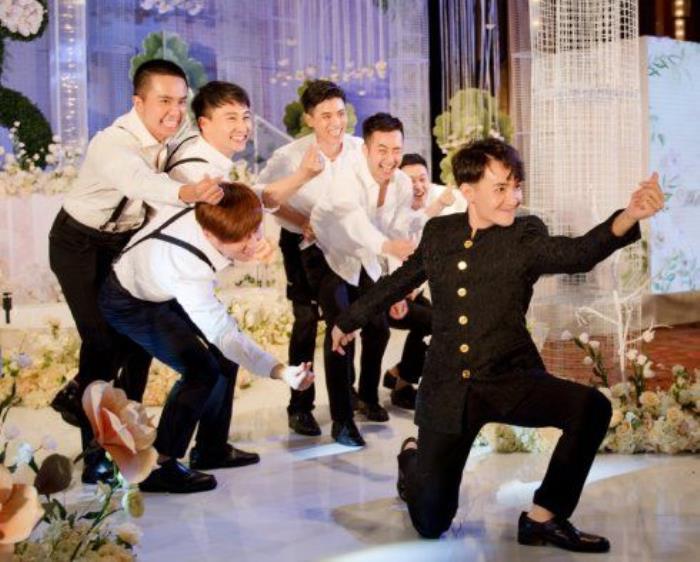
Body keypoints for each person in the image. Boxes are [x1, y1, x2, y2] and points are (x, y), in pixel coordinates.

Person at [331, 138, 663, 551]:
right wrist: (349, 320)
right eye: (501, 188)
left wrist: (629, 215)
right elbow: (402, 279)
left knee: (591, 408)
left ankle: (544, 518)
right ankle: (412, 459)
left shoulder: (525, 234)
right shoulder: (439, 233)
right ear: (468, 191)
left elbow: (577, 254)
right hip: (449, 388)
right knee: (431, 522)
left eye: (516, 186)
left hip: (509, 377)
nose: (513, 198)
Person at [49, 59, 223, 484]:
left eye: (180, 102)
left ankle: (120, 439)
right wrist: (189, 191)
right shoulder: (112, 143)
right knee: (101, 340)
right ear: (138, 102)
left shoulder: (171, 138)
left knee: (137, 342)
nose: (174, 111)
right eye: (164, 101)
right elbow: (140, 182)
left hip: (122, 243)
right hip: (78, 245)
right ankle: (96, 455)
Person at [99, 182, 314, 493]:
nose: (254, 243)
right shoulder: (188, 269)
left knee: (223, 362)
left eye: (255, 232)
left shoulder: (212, 204)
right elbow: (225, 336)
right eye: (242, 241)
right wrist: (281, 371)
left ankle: (211, 448)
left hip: (158, 283)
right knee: (201, 370)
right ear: (211, 235)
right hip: (130, 302)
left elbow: (253, 196)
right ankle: (159, 464)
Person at [257, 80, 365, 437]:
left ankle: (344, 401)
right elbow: (266, 199)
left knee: (344, 321)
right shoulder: (288, 157)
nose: (336, 122)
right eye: (326, 116)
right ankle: (300, 405)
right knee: (305, 322)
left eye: (340, 113)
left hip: (346, 247)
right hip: (302, 246)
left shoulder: (359, 149)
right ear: (309, 118)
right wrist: (302, 221)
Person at [306, 112, 416, 446]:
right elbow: (355, 224)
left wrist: (397, 290)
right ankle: (341, 420)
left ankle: (367, 397)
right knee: (341, 331)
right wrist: (388, 247)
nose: (390, 159)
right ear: (365, 149)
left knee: (379, 328)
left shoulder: (402, 183)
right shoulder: (345, 175)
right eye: (382, 150)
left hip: (367, 257)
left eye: (396, 150)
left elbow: (397, 233)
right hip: (328, 255)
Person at [382, 153, 464, 409]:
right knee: (436, 321)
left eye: (422, 179)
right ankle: (403, 383)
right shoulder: (390, 212)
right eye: (410, 181)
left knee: (438, 321)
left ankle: (399, 374)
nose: (418, 186)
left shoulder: (434, 201)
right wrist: (397, 293)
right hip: (385, 296)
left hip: (412, 293)